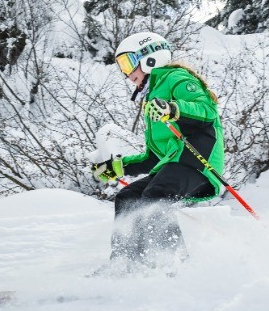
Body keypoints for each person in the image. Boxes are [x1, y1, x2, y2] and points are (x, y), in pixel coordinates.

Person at [90, 31, 225, 268]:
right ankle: (126, 264)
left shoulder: (177, 78)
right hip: (174, 165)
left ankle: (175, 266)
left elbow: (207, 111)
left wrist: (174, 109)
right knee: (128, 197)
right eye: (121, 66)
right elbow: (154, 157)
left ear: (149, 58)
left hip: (196, 163)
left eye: (128, 63)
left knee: (155, 196)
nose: (126, 73)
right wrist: (117, 167)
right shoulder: (153, 97)